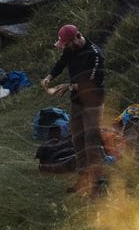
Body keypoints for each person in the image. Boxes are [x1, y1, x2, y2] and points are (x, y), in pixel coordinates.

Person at [41, 23, 106, 195]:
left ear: (77, 37)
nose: (66, 48)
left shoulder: (95, 54)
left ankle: (97, 184)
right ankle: (83, 179)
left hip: (93, 103)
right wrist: (50, 76)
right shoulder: (71, 49)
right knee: (77, 140)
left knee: (91, 142)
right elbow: (62, 62)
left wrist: (69, 86)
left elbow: (93, 82)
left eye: (67, 44)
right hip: (77, 103)